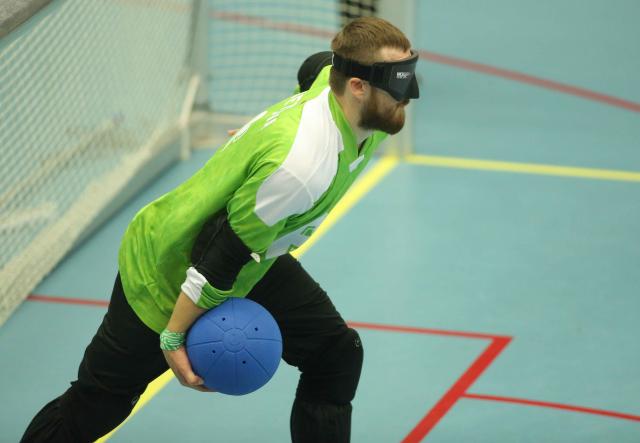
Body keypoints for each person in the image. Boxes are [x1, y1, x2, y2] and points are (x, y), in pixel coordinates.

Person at [21, 16, 420, 443]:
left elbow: (315, 66)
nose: (410, 94)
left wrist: (261, 136)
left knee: (335, 353)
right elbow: (219, 257)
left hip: (251, 254)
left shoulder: (343, 90)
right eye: (398, 82)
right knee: (97, 405)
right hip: (165, 269)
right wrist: (174, 337)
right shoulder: (302, 169)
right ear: (357, 86)